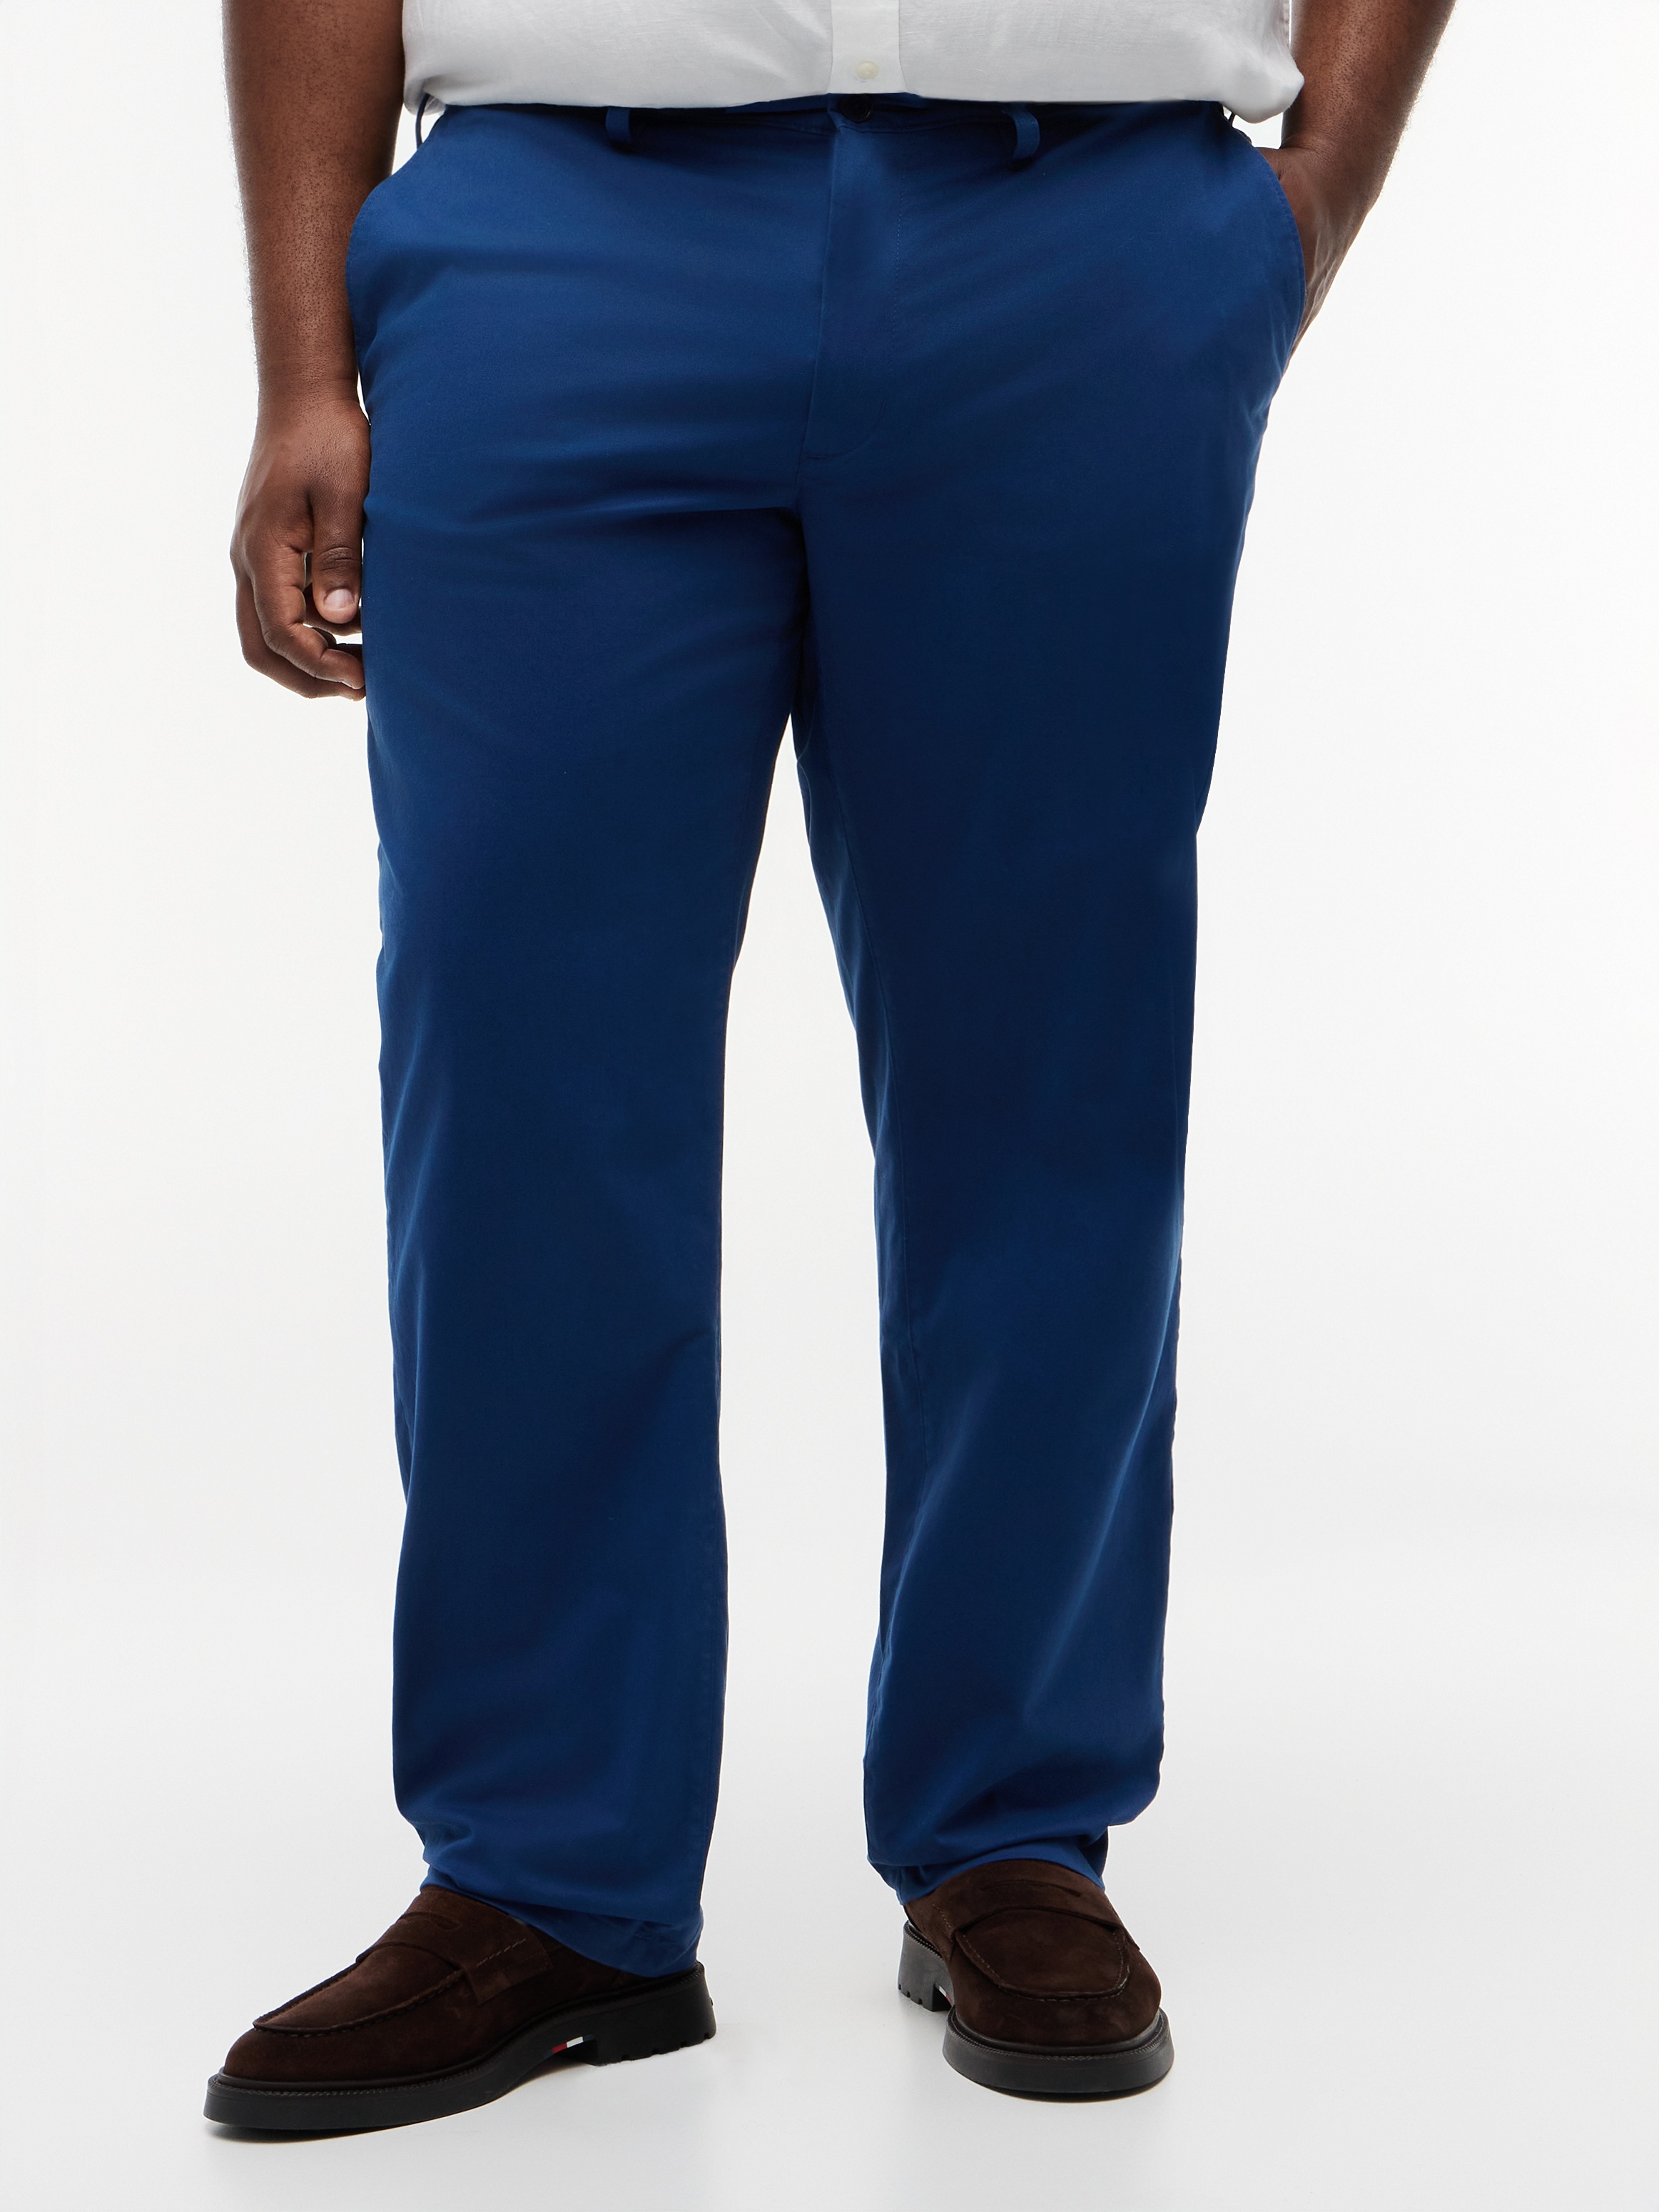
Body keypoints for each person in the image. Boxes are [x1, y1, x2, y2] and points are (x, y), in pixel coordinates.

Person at [207, 0, 1455, 2131]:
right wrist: (301, 366)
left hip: (1087, 235)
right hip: (556, 235)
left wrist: (1306, 199)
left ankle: (1014, 1824)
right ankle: (545, 1868)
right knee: (517, 1082)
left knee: (1046, 1074)